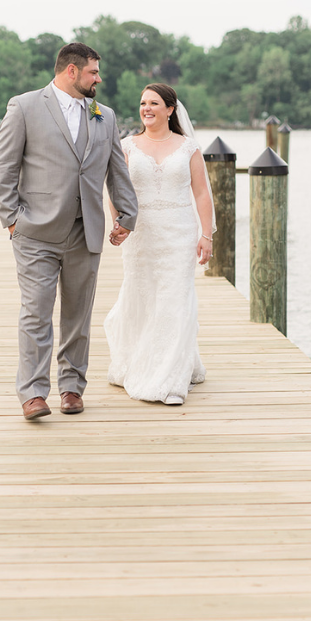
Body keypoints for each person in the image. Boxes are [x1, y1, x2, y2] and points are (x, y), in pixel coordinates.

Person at [0, 42, 138, 420]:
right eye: (93, 72)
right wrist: (12, 219)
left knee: (78, 314)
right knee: (36, 312)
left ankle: (72, 387)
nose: (98, 79)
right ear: (71, 71)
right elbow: (3, 167)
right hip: (35, 231)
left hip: (85, 229)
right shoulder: (23, 107)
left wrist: (127, 214)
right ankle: (33, 393)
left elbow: (115, 170)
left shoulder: (105, 114)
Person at [103, 82, 214, 405]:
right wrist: (119, 222)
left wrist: (206, 234)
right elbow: (116, 189)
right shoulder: (128, 146)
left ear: (170, 109)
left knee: (174, 299)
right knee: (142, 294)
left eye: (153, 103)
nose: (146, 108)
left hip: (179, 232)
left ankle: (170, 379)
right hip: (141, 234)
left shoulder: (188, 147)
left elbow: (202, 193)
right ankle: (137, 359)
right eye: (142, 103)